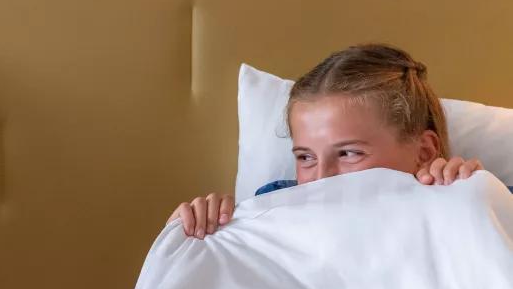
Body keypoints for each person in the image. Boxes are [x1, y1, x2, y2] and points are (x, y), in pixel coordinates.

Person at [169, 44, 483, 238]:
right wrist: (191, 231)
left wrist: (477, 201)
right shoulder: (272, 208)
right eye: (305, 157)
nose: (320, 178)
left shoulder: (463, 200)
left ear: (424, 152)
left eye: (348, 153)